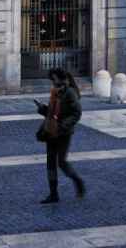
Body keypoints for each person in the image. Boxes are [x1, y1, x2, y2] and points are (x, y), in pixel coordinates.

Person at [34, 68, 85, 203]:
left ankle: (77, 181)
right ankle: (53, 194)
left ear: (60, 78)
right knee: (50, 163)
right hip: (51, 131)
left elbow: (76, 113)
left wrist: (63, 125)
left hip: (64, 132)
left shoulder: (70, 92)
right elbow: (52, 113)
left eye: (53, 78)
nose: (52, 81)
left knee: (61, 162)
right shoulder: (55, 92)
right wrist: (43, 109)